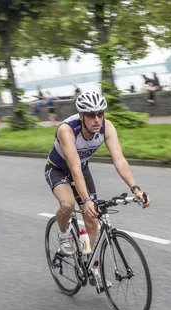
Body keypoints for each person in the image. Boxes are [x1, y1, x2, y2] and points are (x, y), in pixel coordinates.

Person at [44, 91, 151, 292]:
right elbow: (73, 168)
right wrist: (86, 200)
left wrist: (135, 189)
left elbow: (119, 160)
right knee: (68, 204)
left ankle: (90, 264)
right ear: (81, 115)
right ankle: (63, 233)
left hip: (81, 169)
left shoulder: (107, 127)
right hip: (58, 169)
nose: (97, 119)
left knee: (92, 220)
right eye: (91, 114)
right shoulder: (67, 130)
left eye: (100, 114)